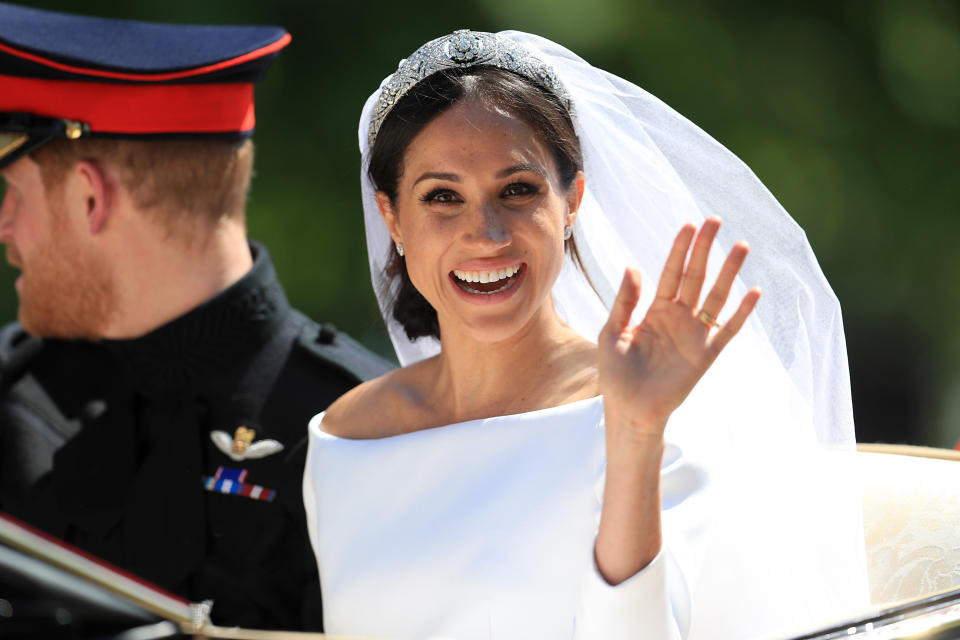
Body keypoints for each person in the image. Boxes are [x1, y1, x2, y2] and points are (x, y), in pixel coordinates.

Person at [303, 29, 871, 639]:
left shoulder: (649, 410)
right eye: (443, 197)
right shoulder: (344, 438)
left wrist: (636, 433)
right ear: (392, 217)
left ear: (572, 201)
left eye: (517, 190)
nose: (486, 234)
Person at [0, 2, 390, 631]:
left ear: (90, 198)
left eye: (14, 193)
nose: (4, 228)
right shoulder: (14, 393)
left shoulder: (363, 432)